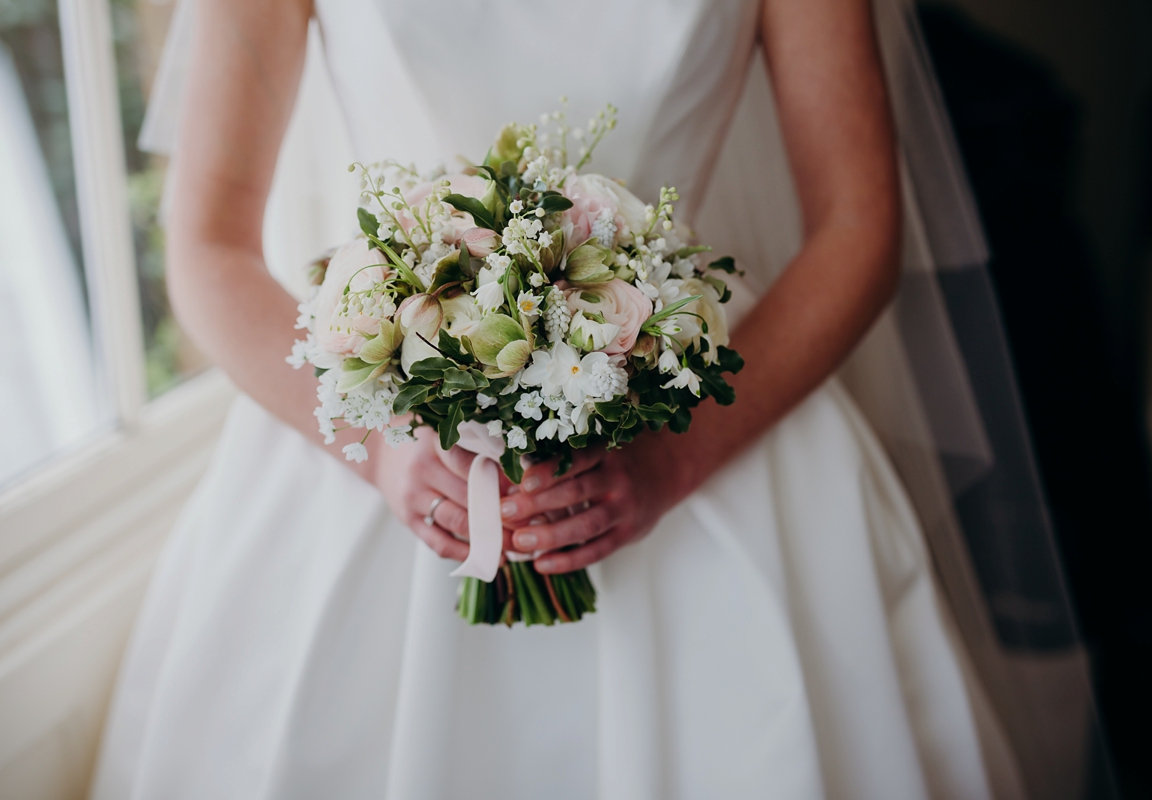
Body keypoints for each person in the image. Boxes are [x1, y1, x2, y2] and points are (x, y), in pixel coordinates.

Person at [90, 0, 1090, 797]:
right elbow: (208, 246)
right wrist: (380, 445)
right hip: (381, 441)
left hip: (706, 411)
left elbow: (860, 224)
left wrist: (681, 452)